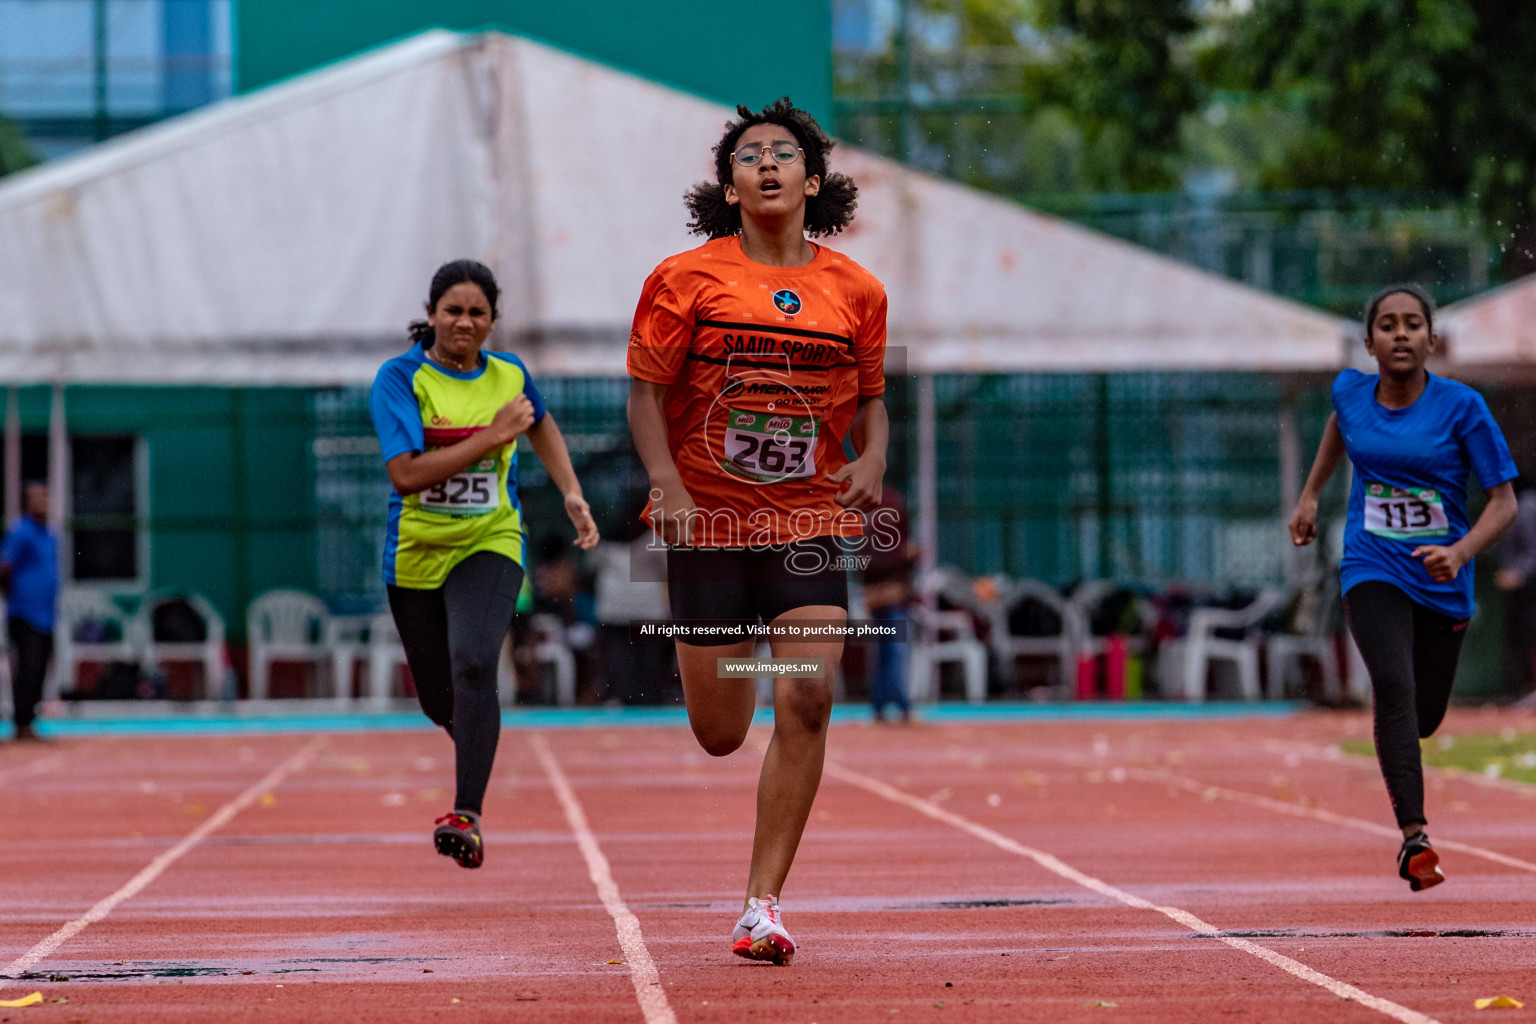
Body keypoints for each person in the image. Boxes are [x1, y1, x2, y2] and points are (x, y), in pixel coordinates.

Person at [627, 98, 887, 963]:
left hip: (807, 521)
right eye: (749, 156)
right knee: (722, 732)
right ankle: (748, 662)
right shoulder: (683, 278)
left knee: (809, 694)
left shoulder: (857, 291)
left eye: (784, 155)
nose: (766, 164)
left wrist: (873, 459)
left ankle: (760, 905)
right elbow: (646, 394)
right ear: (730, 187)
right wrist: (665, 480)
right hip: (708, 525)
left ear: (814, 182)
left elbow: (875, 403)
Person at [371, 259, 599, 869]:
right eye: (453, 311)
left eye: (477, 312)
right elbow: (408, 475)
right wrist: (492, 437)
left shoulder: (510, 374)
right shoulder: (399, 380)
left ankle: (465, 814)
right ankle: (477, 737)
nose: (464, 322)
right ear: (431, 315)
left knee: (475, 660)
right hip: (416, 552)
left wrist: (571, 490)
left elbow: (540, 425)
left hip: (490, 538)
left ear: (493, 320)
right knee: (438, 699)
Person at [1290, 283, 1518, 892]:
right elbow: (1343, 426)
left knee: (1423, 714)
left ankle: (1409, 761)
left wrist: (1460, 551)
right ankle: (1415, 838)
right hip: (1372, 565)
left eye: (1412, 324)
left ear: (1430, 340)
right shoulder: (1349, 391)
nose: (1399, 333)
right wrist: (1312, 494)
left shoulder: (1463, 407)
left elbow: (1504, 503)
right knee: (1392, 684)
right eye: (1387, 325)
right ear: (1369, 342)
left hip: (1443, 581)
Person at [0, 482, 58, 741]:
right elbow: (5, 565)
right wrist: (14, 594)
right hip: (24, 612)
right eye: (38, 498)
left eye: (46, 497)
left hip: (46, 613)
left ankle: (30, 720)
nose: (44, 502)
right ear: (28, 502)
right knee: (27, 667)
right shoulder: (21, 531)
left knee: (40, 669)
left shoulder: (49, 534)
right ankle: (21, 722)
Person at [862, 485, 918, 723]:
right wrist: (904, 557)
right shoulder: (875, 526)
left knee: (888, 652)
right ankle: (897, 705)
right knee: (893, 652)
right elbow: (871, 565)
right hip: (887, 595)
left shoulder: (871, 519)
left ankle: (886, 705)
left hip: (886, 595)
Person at [1494, 475, 1536, 703]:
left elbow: (1533, 550)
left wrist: (1519, 575)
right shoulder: (1502, 505)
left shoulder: (1527, 505)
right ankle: (1525, 689)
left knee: (1530, 634)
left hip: (1529, 586)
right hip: (1517, 588)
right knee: (1517, 636)